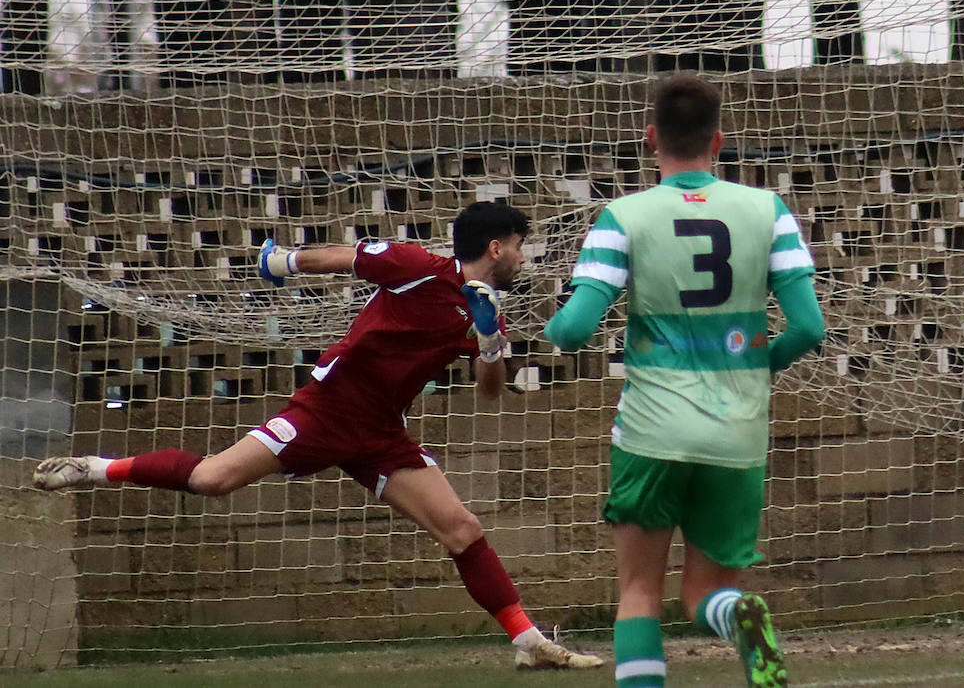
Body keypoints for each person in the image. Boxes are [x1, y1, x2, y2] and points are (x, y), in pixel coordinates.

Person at [33, 201, 603, 671]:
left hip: (381, 432)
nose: (524, 259)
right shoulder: (418, 268)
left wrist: (488, 341)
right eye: (520, 245)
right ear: (497, 246)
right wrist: (283, 261)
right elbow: (349, 257)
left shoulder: (483, 311)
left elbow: (488, 389)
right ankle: (94, 468)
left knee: (462, 529)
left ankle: (531, 645)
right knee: (212, 479)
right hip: (325, 412)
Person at [544, 76, 825, 688]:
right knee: (706, 595)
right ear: (718, 141)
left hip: (652, 433)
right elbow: (808, 327)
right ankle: (739, 615)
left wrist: (547, 321)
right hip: (738, 434)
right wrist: (753, 368)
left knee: (639, 590)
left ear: (652, 140)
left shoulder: (624, 215)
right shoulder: (766, 210)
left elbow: (573, 331)